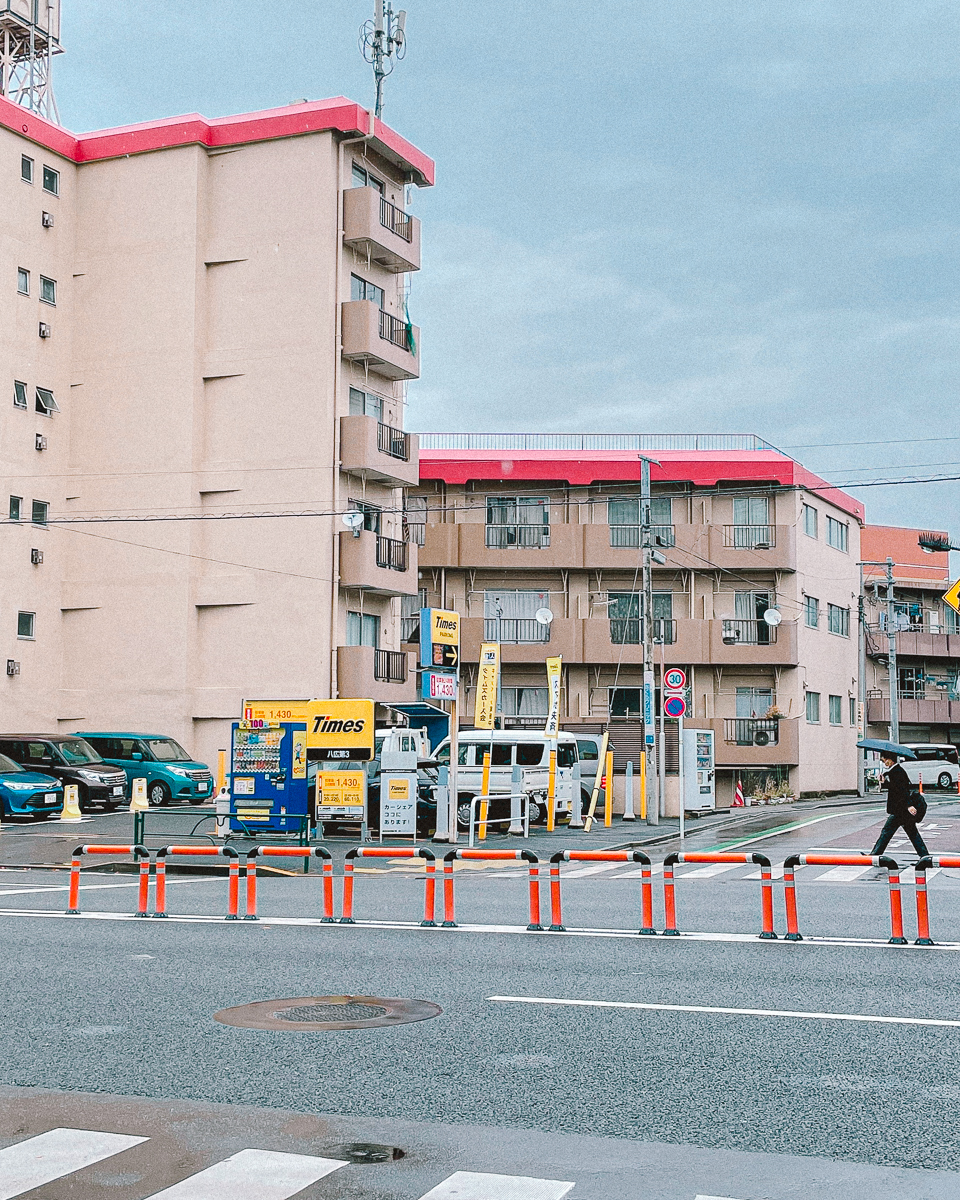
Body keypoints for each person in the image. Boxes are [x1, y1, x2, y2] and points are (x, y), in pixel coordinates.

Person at [869, 752, 929, 858]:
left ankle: (875, 855)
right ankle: (925, 856)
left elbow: (903, 790)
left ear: (891, 760)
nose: (884, 763)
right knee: (912, 834)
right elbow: (894, 788)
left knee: (887, 832)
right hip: (901, 809)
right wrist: (883, 782)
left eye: (884, 760)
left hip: (900, 810)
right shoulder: (895, 771)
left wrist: (909, 805)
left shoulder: (897, 772)